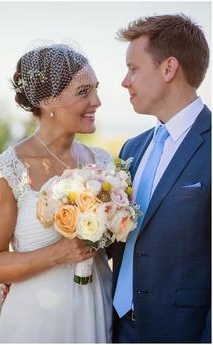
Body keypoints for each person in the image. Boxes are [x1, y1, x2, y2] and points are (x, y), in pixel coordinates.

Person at [0, 42, 113, 343]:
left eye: (96, 88)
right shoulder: (6, 172)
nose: (97, 101)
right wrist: (57, 254)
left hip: (99, 309)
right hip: (38, 321)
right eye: (84, 92)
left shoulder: (102, 163)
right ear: (46, 100)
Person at [110, 14, 211, 342]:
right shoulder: (132, 148)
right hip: (118, 328)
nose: (125, 81)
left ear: (168, 69)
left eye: (133, 68)